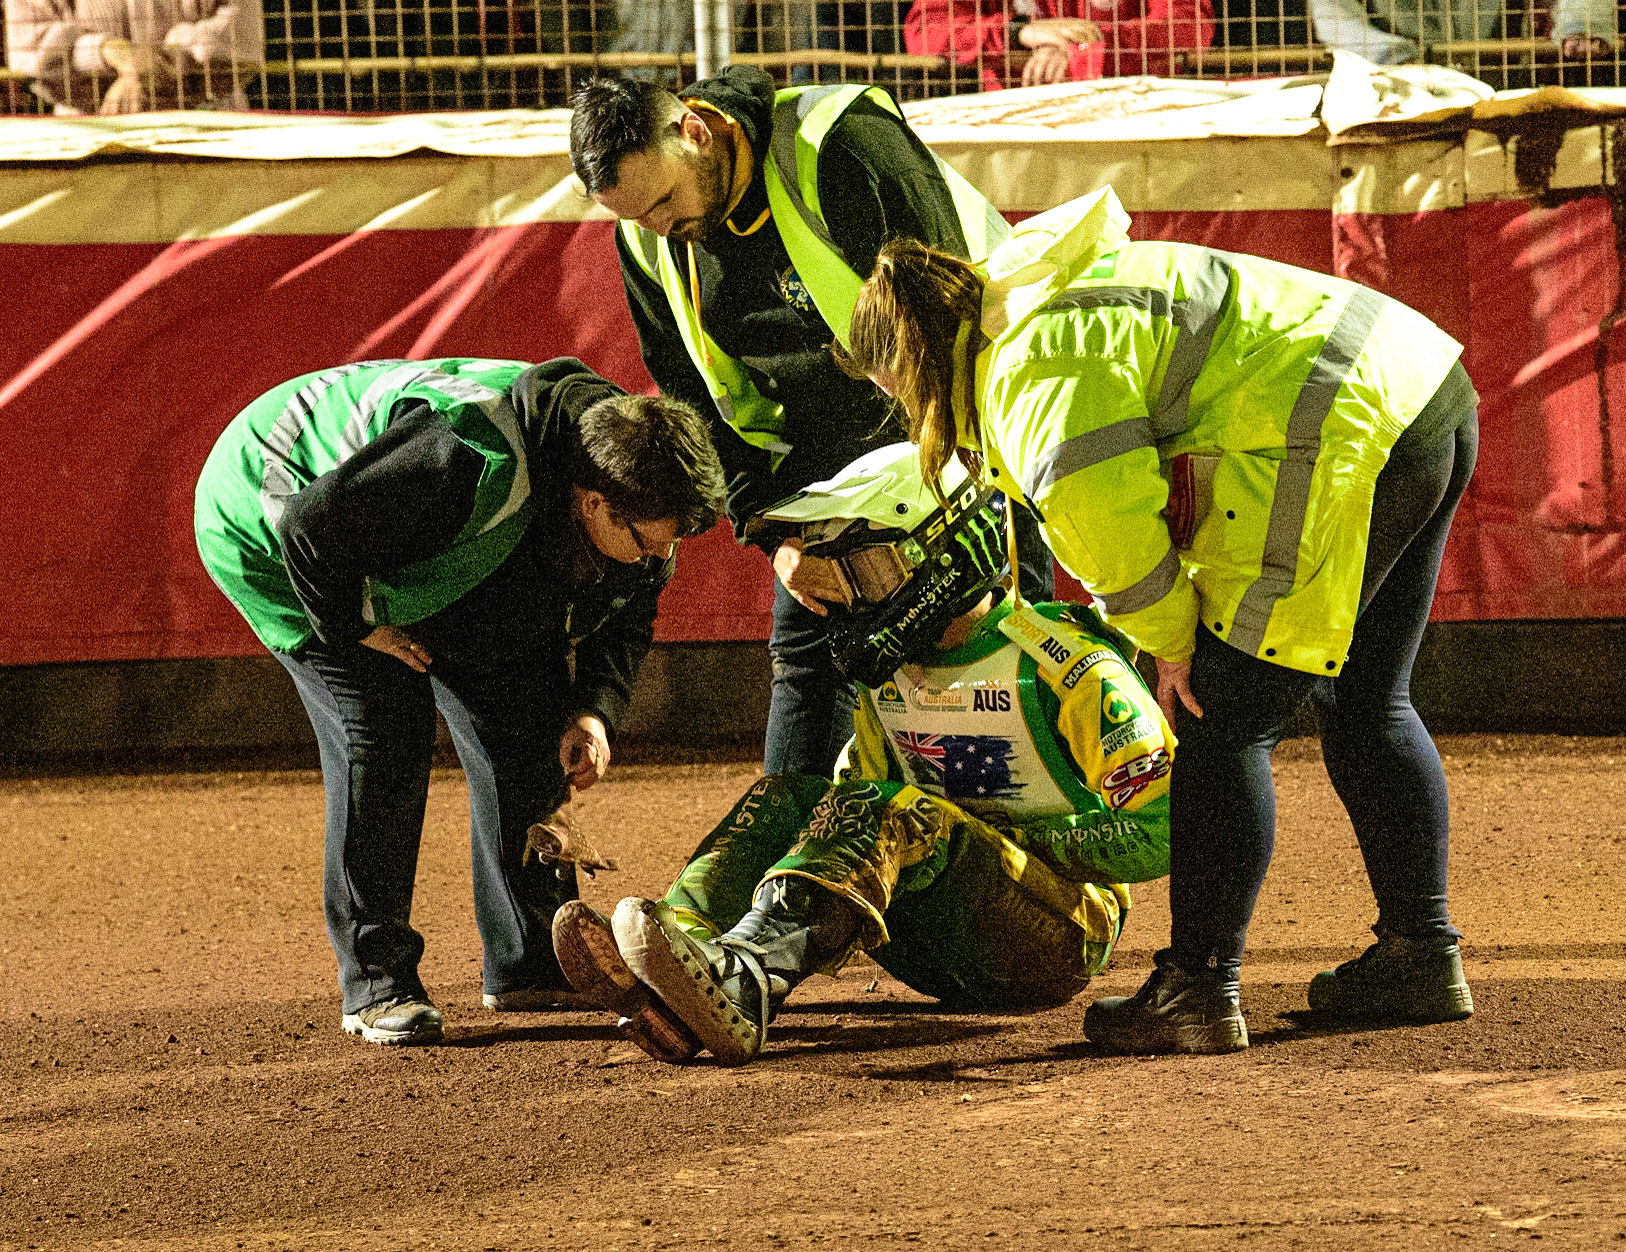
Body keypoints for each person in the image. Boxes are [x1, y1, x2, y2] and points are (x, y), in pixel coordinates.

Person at [835, 188, 1480, 1055]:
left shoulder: (1026, 371)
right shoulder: (1031, 307)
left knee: (1219, 718)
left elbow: (1109, 526)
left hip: (1334, 419)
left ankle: (1198, 991)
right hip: (1420, 389)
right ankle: (1419, 955)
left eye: (888, 388)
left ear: (910, 355)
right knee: (1367, 700)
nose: (900, 410)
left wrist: (1172, 646)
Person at [550, 442, 1177, 1064]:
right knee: (790, 793)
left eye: (870, 574)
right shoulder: (888, 682)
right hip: (925, 938)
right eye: (841, 578)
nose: (851, 599)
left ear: (954, 557)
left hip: (1058, 936)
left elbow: (1167, 829)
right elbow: (851, 815)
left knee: (897, 810)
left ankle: (743, 981)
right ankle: (682, 959)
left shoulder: (1065, 667)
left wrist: (1011, 836)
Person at [194, 357, 725, 1045]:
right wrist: (355, 626)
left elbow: (625, 610)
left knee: (531, 725)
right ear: (593, 502)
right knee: (382, 732)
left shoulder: (633, 474)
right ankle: (377, 984)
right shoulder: (469, 460)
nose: (663, 557)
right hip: (282, 521)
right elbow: (309, 527)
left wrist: (594, 710)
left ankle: (532, 962)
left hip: (424, 551)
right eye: (650, 543)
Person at [567, 69, 1055, 783]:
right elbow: (697, 407)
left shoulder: (843, 146)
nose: (659, 228)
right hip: (819, 465)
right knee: (809, 664)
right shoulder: (648, 238)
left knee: (997, 661)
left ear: (696, 130)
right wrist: (776, 536)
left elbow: (955, 315)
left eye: (665, 200)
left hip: (961, 426)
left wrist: (950, 498)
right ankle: (795, 877)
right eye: (636, 216)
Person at [4, 0, 261, 114]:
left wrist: (149, 67)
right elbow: (27, 45)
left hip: (210, 128)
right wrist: (109, 52)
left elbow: (242, 36)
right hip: (90, 136)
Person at [904, 0, 1217, 91]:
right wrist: (1021, 34)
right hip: (1019, 127)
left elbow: (1192, 24)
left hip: (1134, 121)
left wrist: (1084, 45)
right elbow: (925, 30)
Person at [1307, 0, 1616, 65]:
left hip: (1505, 90)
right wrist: (1393, 57)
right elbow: (1331, 14)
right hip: (1400, 98)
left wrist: (1583, 27)